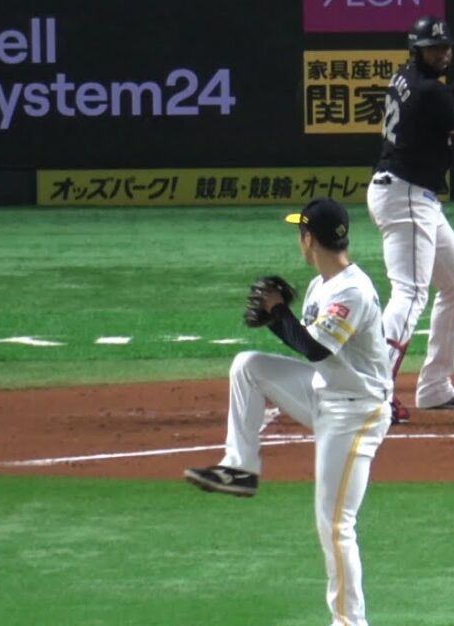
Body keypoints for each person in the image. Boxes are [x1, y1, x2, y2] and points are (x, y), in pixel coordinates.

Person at [184, 197, 392, 626]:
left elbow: (314, 349)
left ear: (309, 239)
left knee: (335, 524)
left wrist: (278, 312)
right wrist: (279, 319)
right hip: (324, 393)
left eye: (301, 232)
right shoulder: (321, 285)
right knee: (248, 366)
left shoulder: (352, 291)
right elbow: (308, 343)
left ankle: (349, 622)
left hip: (356, 413)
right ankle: (240, 468)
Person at [367, 15, 454, 422]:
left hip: (411, 195)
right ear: (418, 49)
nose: (442, 53)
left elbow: (437, 104)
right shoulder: (430, 90)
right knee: (410, 295)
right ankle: (372, 393)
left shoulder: (407, 78)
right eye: (434, 48)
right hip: (406, 197)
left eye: (445, 46)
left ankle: (434, 387)